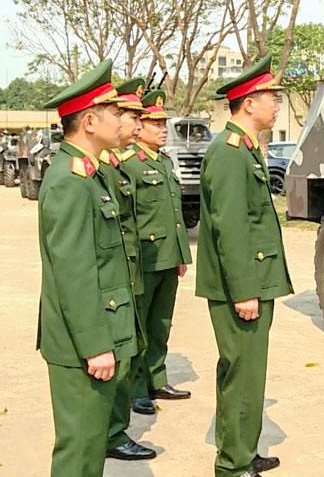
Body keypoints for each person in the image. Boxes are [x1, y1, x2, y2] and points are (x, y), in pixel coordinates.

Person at [38, 59, 138, 476]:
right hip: (84, 343)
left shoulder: (90, 176)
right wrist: (96, 345)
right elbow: (75, 272)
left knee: (90, 448)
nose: (123, 121)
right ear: (90, 121)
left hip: (95, 335)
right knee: (79, 453)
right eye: (116, 113)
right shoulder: (69, 180)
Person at [197, 53, 293, 477]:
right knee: (242, 372)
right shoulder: (230, 152)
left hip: (252, 280)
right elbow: (230, 227)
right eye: (271, 97)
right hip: (242, 285)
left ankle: (242, 450)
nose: (277, 104)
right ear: (248, 102)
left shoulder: (246, 149)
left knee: (249, 373)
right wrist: (244, 290)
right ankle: (232, 465)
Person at [121, 89, 194, 416]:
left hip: (167, 257)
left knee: (160, 324)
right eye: (155, 123)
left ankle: (156, 378)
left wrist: (180, 255)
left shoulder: (163, 162)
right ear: (140, 128)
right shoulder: (131, 165)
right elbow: (131, 219)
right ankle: (136, 388)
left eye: (165, 123)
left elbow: (173, 214)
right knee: (139, 326)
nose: (163, 129)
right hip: (145, 261)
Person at [98, 77, 157, 460]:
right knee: (115, 362)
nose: (134, 125)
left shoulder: (114, 166)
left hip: (130, 272)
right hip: (112, 281)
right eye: (125, 115)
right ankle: (112, 432)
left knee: (130, 353)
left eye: (136, 117)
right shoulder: (96, 170)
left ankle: (115, 428)